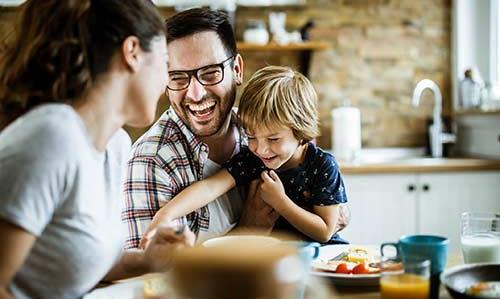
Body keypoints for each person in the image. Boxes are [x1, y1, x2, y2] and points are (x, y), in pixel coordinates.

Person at [0, 1, 194, 299]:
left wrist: (148, 259)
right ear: (132, 52)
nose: (167, 80)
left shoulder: (115, 145)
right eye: (166, 62)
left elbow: (80, 262)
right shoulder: (51, 138)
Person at [122, 8, 281, 249]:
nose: (195, 94)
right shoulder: (151, 161)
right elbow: (153, 279)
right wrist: (250, 230)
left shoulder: (263, 134)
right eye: (178, 77)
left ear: (237, 70)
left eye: (210, 74)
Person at [141, 65, 349, 245]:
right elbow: (209, 187)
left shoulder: (322, 165)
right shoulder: (253, 160)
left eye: (274, 139)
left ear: (301, 131)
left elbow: (324, 231)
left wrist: (280, 202)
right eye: (251, 137)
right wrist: (165, 215)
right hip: (277, 258)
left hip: (322, 258)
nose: (261, 149)